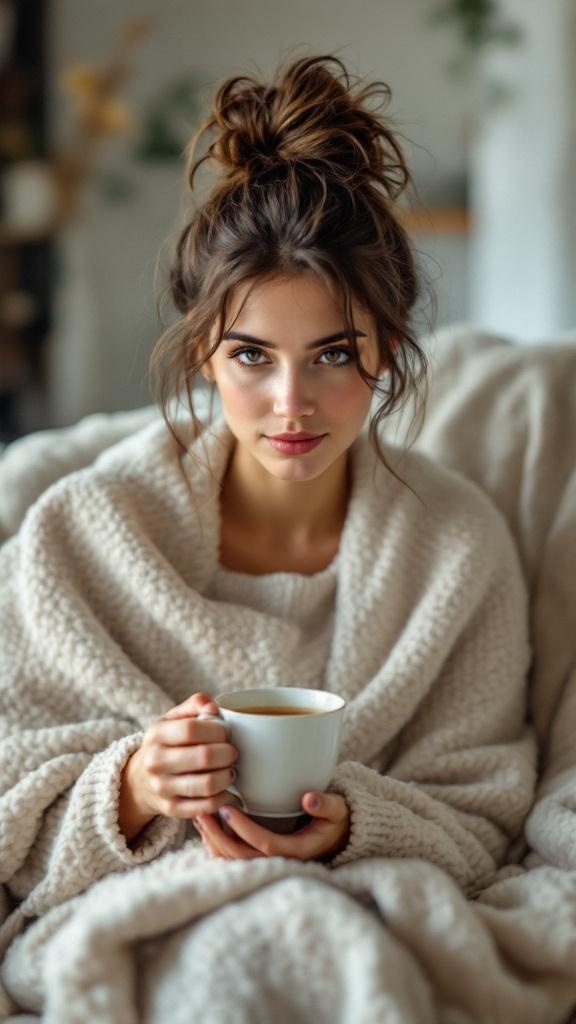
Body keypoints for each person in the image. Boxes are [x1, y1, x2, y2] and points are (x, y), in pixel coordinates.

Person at [0, 55, 536, 988]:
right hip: (146, 925)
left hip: (357, 919)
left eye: (333, 354)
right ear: (204, 351)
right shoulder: (80, 534)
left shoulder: (457, 546)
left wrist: (353, 826)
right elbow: (12, 795)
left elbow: (483, 814)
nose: (292, 402)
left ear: (388, 350)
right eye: (253, 355)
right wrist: (132, 787)